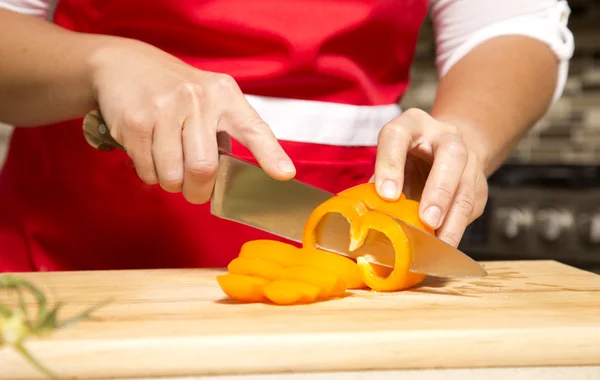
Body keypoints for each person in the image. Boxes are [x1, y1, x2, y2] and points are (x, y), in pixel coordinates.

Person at [0, 0, 574, 273]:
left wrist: (463, 134)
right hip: (69, 275)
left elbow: (510, 23)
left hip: (355, 285)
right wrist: (100, 62)